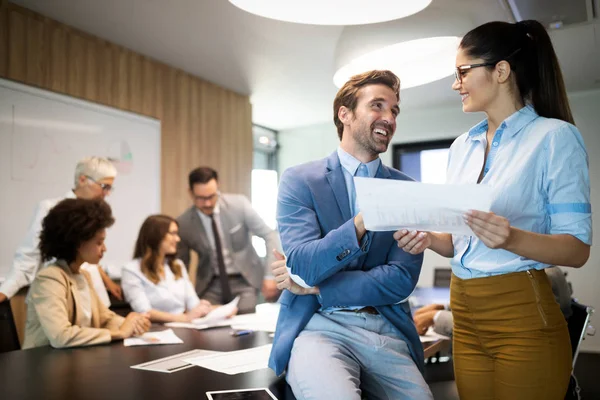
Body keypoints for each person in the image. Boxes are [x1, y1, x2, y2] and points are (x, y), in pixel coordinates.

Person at [395, 20, 591, 400]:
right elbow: (458, 243)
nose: (456, 84)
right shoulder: (460, 148)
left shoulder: (554, 137)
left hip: (521, 316)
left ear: (501, 70)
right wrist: (430, 238)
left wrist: (511, 237)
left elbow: (577, 249)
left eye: (463, 72)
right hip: (464, 315)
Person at [269, 70, 433, 399]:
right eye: (378, 106)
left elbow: (400, 278)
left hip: (385, 328)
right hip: (318, 326)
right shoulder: (299, 181)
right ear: (345, 114)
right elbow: (303, 264)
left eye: (394, 110)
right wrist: (361, 222)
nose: (389, 117)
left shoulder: (407, 190)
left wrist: (316, 286)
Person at [23, 198, 150, 349]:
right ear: (77, 242)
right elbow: (61, 336)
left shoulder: (83, 275)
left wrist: (132, 322)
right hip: (42, 365)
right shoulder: (49, 278)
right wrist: (120, 333)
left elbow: (106, 318)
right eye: (99, 242)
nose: (104, 249)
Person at [0, 156, 123, 306]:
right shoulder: (52, 210)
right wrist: (4, 292)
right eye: (104, 186)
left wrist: (106, 279)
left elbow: (87, 254)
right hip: (60, 298)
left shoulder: (96, 214)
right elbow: (27, 260)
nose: (107, 193)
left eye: (110, 188)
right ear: (83, 180)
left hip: (94, 299)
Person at [176, 167, 281, 314]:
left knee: (246, 322)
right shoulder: (184, 223)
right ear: (190, 193)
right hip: (210, 284)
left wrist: (270, 275)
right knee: (207, 323)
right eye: (201, 198)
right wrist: (183, 299)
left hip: (245, 280)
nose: (207, 203)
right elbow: (181, 266)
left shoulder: (239, 205)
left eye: (211, 196)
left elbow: (270, 235)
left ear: (218, 186)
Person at [413, 266, 574, 337]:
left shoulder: (541, 276)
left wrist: (436, 317)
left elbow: (496, 326)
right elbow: (489, 304)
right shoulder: (538, 268)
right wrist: (445, 307)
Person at [121, 215, 215, 322]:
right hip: (154, 331)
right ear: (156, 236)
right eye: (173, 233)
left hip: (183, 327)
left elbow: (193, 304)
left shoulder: (178, 265)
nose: (178, 239)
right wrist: (184, 318)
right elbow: (144, 311)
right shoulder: (131, 270)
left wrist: (203, 308)